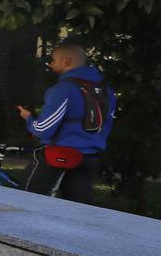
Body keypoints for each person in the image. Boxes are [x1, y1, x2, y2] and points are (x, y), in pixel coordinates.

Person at [16, 42, 116, 203]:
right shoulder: (107, 91)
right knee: (78, 208)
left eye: (54, 60)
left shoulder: (63, 89)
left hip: (60, 155)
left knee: (26, 200)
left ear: (67, 61)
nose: (51, 64)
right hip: (90, 157)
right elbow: (107, 123)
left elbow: (43, 128)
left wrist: (29, 118)